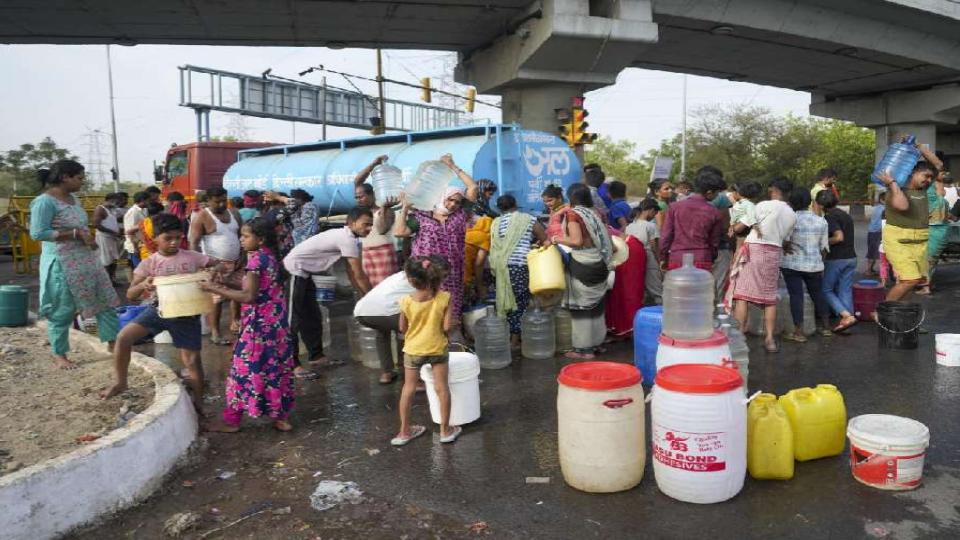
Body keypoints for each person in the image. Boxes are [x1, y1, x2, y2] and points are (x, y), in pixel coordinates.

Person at [101, 214, 222, 406]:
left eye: (178, 238)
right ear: (155, 238)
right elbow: (131, 294)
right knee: (123, 337)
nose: (174, 242)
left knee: (192, 361)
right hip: (158, 311)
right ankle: (120, 382)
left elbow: (219, 264)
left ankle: (199, 405)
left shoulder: (192, 257)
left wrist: (214, 272)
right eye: (168, 238)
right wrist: (144, 285)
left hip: (187, 314)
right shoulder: (150, 262)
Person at [199, 218, 296, 433]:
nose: (240, 240)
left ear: (260, 239)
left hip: (257, 327)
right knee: (275, 368)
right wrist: (224, 283)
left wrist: (214, 288)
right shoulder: (271, 257)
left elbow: (248, 296)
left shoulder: (255, 260)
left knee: (242, 371)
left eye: (245, 236)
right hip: (276, 325)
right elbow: (257, 288)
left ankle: (232, 421)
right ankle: (281, 417)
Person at [30, 160, 120, 370]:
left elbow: (80, 226)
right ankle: (59, 354)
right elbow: (37, 233)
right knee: (63, 309)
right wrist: (73, 234)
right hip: (63, 263)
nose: (82, 182)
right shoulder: (44, 202)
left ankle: (112, 342)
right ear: (65, 177)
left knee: (104, 301)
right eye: (79, 178)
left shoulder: (74, 199)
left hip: (86, 260)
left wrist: (86, 238)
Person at [394, 154, 479, 336]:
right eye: (450, 199)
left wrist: (453, 166)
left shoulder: (460, 215)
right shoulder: (422, 217)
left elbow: (473, 187)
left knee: (450, 315)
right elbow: (400, 232)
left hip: (452, 273)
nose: (453, 204)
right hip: (426, 273)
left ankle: (447, 350)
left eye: (457, 201)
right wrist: (405, 209)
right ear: (441, 197)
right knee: (427, 312)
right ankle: (426, 347)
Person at [284, 207, 373, 378]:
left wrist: (362, 296)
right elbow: (358, 274)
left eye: (371, 225)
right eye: (365, 224)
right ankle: (292, 365)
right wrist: (370, 298)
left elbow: (351, 272)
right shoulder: (346, 238)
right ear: (352, 223)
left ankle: (316, 357)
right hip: (293, 270)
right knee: (292, 319)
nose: (368, 228)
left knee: (312, 315)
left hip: (305, 273)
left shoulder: (350, 238)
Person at [391, 255, 462, 446]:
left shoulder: (405, 301)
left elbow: (402, 328)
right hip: (437, 347)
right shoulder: (445, 297)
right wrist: (452, 324)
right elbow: (447, 327)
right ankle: (445, 431)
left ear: (410, 279)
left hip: (413, 350)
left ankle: (404, 432)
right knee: (442, 387)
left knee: (408, 388)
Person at [729, 177, 797, 353]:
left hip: (754, 249)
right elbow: (786, 240)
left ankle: (738, 336)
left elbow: (741, 225)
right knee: (769, 298)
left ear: (773, 189)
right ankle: (769, 339)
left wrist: (732, 229)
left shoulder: (762, 206)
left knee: (742, 295)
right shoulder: (792, 213)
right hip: (774, 252)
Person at [547, 184, 614, 360]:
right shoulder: (594, 213)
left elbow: (576, 241)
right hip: (598, 261)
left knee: (581, 308)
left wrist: (555, 239)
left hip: (582, 263)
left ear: (571, 197)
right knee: (597, 307)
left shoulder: (573, 214)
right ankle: (597, 344)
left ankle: (584, 350)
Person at [189, 186, 244, 346]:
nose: (221, 204)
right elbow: (194, 243)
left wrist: (243, 255)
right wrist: (204, 265)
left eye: (223, 200)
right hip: (215, 265)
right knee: (217, 299)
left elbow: (242, 235)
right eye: (217, 202)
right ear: (207, 201)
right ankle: (215, 332)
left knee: (238, 294)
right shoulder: (202, 217)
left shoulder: (234, 213)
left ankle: (236, 322)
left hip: (237, 262)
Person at [879, 159, 939, 302]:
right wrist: (892, 183)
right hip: (899, 241)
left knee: (917, 281)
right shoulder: (895, 190)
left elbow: (939, 166)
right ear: (913, 173)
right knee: (910, 280)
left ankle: (897, 311)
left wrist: (919, 147)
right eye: (926, 176)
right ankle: (881, 311)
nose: (929, 180)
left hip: (919, 242)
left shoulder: (924, 190)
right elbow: (902, 206)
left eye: (931, 177)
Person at [489, 195, 546, 347]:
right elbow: (544, 238)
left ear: (500, 208)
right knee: (518, 303)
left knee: (505, 301)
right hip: (519, 267)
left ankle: (507, 338)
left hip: (501, 268)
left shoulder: (496, 222)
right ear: (516, 203)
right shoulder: (528, 219)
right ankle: (514, 341)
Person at [780, 189, 831, 343]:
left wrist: (786, 247)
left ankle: (799, 332)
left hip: (792, 264)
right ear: (810, 202)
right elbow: (824, 247)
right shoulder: (821, 220)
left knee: (796, 296)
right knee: (818, 294)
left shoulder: (790, 219)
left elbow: (785, 241)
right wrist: (820, 263)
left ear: (792, 203)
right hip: (814, 265)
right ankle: (827, 327)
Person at [354, 270, 416, 384]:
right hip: (387, 313)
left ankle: (386, 373)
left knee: (382, 332)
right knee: (408, 333)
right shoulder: (420, 280)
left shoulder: (396, 276)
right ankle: (411, 376)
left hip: (362, 313)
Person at [659, 169, 727, 271]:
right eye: (717, 193)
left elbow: (666, 236)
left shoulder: (674, 207)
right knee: (701, 287)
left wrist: (663, 257)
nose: (717, 196)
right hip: (702, 259)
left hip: (677, 258)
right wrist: (711, 258)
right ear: (709, 192)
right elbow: (714, 242)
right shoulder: (714, 212)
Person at [354, 155, 400, 287]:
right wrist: (373, 164)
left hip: (383, 254)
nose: (358, 200)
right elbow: (358, 180)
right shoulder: (361, 211)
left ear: (372, 195)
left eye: (361, 197)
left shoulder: (386, 211)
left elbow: (382, 229)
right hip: (365, 254)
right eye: (356, 197)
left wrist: (385, 208)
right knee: (367, 289)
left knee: (384, 290)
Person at [818, 190, 859, 333]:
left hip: (837, 259)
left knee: (826, 290)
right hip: (851, 257)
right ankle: (848, 322)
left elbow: (839, 237)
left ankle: (846, 315)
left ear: (820, 205)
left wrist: (822, 242)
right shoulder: (845, 215)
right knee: (844, 290)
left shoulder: (830, 217)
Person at [920, 161, 949, 294]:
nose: (944, 175)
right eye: (942, 173)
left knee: (930, 259)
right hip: (935, 229)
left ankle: (926, 285)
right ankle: (926, 284)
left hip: (938, 230)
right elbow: (938, 164)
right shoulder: (931, 188)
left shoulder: (939, 194)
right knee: (929, 259)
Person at [626, 198, 663, 304]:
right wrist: (659, 261)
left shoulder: (630, 226)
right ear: (650, 210)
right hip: (648, 257)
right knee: (656, 290)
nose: (655, 215)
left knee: (639, 288)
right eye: (655, 212)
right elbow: (654, 246)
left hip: (632, 258)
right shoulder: (651, 225)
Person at [93, 192, 124, 284]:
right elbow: (96, 225)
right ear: (112, 200)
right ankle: (106, 282)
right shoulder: (100, 209)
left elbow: (113, 220)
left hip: (113, 238)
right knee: (106, 260)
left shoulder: (111, 209)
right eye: (117, 201)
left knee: (113, 259)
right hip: (104, 238)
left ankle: (112, 280)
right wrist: (113, 232)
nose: (118, 204)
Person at [464, 213, 493, 305]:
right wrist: (479, 285)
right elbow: (479, 263)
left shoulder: (468, 232)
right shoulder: (484, 237)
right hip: (465, 274)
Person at [122, 191, 150, 268]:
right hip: (135, 246)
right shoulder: (132, 212)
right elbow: (129, 232)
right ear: (142, 200)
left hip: (143, 244)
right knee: (140, 269)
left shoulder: (144, 210)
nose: (149, 202)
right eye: (148, 200)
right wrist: (135, 248)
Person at [866, 191, 886, 276]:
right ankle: (868, 270)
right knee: (872, 252)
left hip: (872, 232)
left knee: (872, 251)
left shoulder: (877, 207)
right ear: (882, 200)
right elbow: (881, 223)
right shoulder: (882, 209)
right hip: (876, 232)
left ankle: (871, 269)